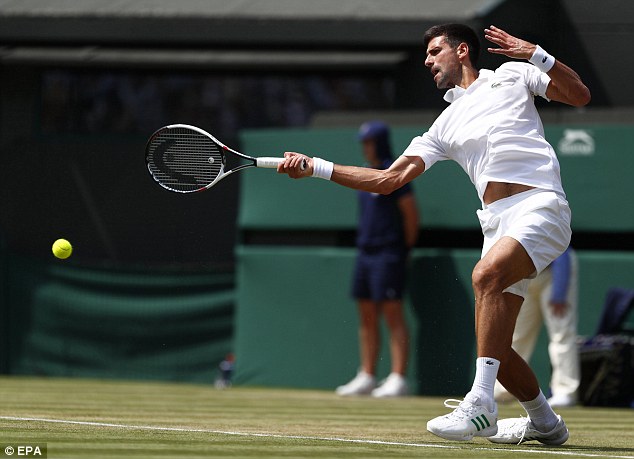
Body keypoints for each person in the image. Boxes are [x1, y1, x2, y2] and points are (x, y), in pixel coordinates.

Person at [278, 23, 590, 445]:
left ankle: (482, 405)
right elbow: (388, 179)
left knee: (484, 276)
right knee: (496, 344)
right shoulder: (443, 124)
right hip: (496, 221)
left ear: (462, 51)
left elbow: (579, 95)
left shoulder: (513, 75)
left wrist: (535, 52)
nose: (427, 61)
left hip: (542, 204)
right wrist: (317, 166)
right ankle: (546, 423)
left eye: (434, 51)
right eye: (426, 54)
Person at [336, 121, 419, 398]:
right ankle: (367, 375)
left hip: (389, 252)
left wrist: (403, 250)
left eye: (370, 142)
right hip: (365, 252)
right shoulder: (364, 175)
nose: (365, 147)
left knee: (392, 314)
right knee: (367, 315)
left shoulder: (392, 174)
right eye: (364, 142)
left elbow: (410, 216)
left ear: (380, 143)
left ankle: (397, 378)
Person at [494, 247, 580, 408]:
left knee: (561, 334)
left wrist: (560, 290)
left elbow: (561, 249)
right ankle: (504, 389)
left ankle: (565, 392)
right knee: (516, 335)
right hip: (524, 272)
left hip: (555, 269)